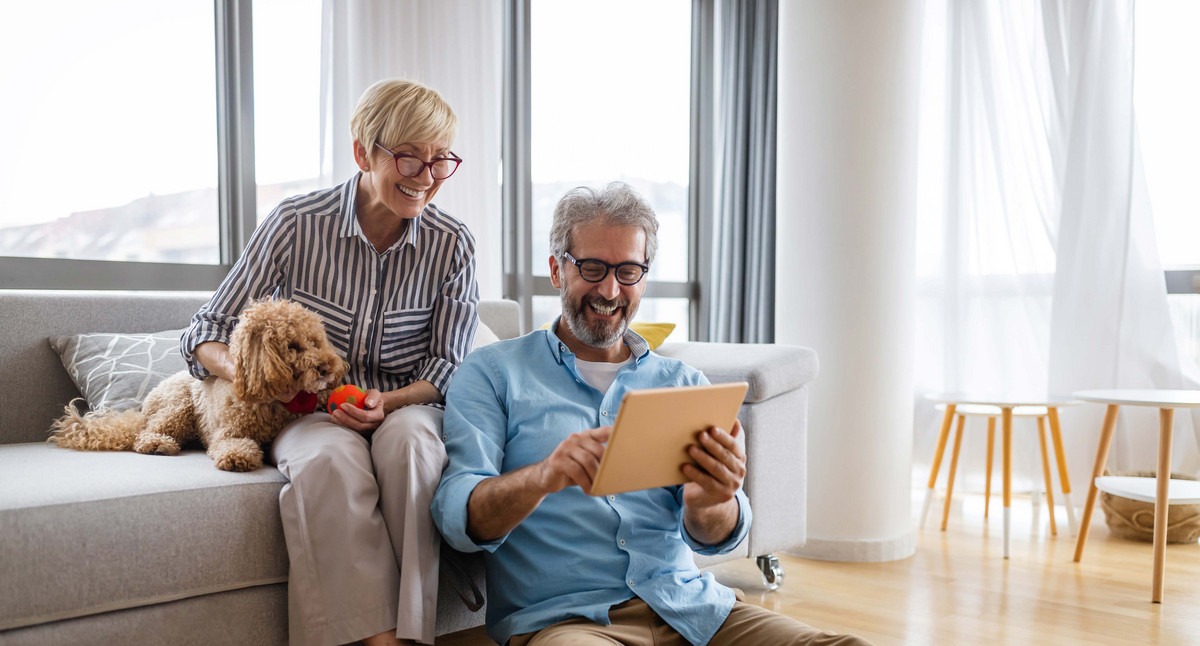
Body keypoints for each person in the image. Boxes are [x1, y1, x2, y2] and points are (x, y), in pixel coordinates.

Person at [431, 182, 871, 645]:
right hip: (567, 623)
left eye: (628, 271)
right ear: (557, 271)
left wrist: (711, 501)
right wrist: (544, 475)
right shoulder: (493, 372)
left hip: (694, 612)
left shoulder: (683, 384)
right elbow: (459, 519)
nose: (609, 288)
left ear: (644, 277)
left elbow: (716, 534)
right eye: (593, 267)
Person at [182, 79, 478, 646]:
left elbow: (446, 366)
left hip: (403, 405)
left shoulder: (454, 244)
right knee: (327, 462)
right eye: (409, 156)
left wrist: (386, 403)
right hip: (307, 412)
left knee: (415, 449)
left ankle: (418, 635)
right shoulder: (296, 223)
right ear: (363, 152)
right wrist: (260, 381)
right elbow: (205, 333)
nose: (425, 176)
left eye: (440, 160)